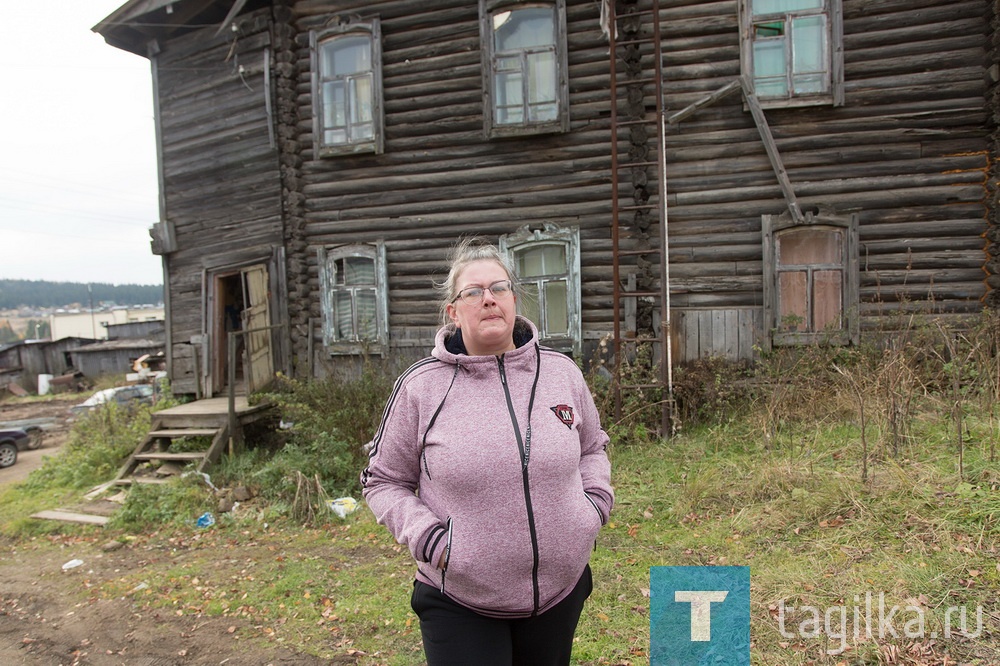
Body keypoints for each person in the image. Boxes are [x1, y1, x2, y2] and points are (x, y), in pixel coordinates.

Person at [360, 238, 614, 665]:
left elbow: (592, 446)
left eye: (498, 288)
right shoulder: (421, 387)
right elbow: (382, 480)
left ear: (514, 299)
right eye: (473, 292)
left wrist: (593, 506)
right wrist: (433, 540)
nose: (489, 299)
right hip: (460, 601)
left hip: (559, 593)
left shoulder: (561, 374)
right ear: (454, 312)